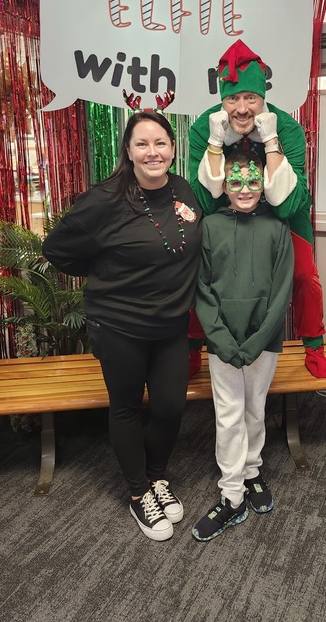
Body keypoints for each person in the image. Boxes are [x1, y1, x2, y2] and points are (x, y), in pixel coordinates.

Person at [42, 111, 202, 542]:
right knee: (127, 407)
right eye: (142, 144)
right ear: (128, 151)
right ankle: (138, 494)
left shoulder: (182, 189)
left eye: (161, 143)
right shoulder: (106, 199)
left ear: (172, 147)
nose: (153, 152)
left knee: (171, 406)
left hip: (170, 324)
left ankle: (155, 478)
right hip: (118, 325)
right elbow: (56, 249)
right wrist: (105, 270)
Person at [189, 38, 326, 379]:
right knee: (197, 267)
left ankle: (314, 346)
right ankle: (193, 344)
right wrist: (214, 143)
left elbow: (290, 203)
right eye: (233, 98)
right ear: (222, 99)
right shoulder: (203, 127)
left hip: (280, 212)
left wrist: (271, 142)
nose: (242, 108)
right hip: (226, 215)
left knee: (303, 273)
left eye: (250, 98)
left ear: (263, 97)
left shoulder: (287, 128)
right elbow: (203, 200)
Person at [192, 149, 294, 541]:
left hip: (262, 342)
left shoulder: (277, 228)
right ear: (224, 185)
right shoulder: (210, 226)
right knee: (228, 413)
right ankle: (231, 494)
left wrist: (256, 342)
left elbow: (281, 291)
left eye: (253, 181)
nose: (246, 189)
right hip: (223, 343)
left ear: (264, 183)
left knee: (255, 408)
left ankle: (252, 471)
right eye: (236, 182)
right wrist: (220, 339)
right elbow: (201, 288)